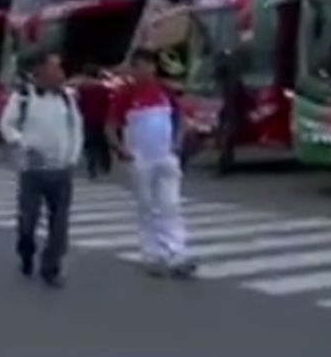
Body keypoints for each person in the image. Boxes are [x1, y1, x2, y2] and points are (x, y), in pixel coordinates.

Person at [107, 48, 196, 278]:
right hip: (140, 159)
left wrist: (176, 144)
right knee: (148, 207)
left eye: (148, 66)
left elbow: (181, 119)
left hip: (165, 156)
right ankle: (152, 254)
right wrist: (120, 148)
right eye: (138, 66)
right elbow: (110, 126)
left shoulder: (165, 91)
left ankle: (178, 253)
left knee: (171, 204)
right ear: (132, 69)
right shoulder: (125, 95)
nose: (144, 71)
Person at [0, 52, 82, 286]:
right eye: (55, 68)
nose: (61, 73)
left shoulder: (67, 98)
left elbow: (76, 128)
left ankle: (51, 267)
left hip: (61, 169)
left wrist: (72, 157)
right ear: (41, 72)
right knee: (28, 219)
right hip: (32, 169)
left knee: (60, 222)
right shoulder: (23, 96)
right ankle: (26, 250)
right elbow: (6, 125)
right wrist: (22, 143)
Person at [214, 49, 251, 177]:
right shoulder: (234, 79)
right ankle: (225, 164)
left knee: (226, 139)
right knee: (227, 139)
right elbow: (242, 96)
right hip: (231, 112)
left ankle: (225, 164)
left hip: (228, 112)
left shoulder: (227, 80)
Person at [75, 64, 112, 179]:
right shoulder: (104, 88)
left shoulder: (82, 88)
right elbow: (108, 104)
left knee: (90, 144)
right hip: (102, 118)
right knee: (103, 142)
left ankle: (92, 168)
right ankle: (105, 165)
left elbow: (79, 104)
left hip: (88, 119)